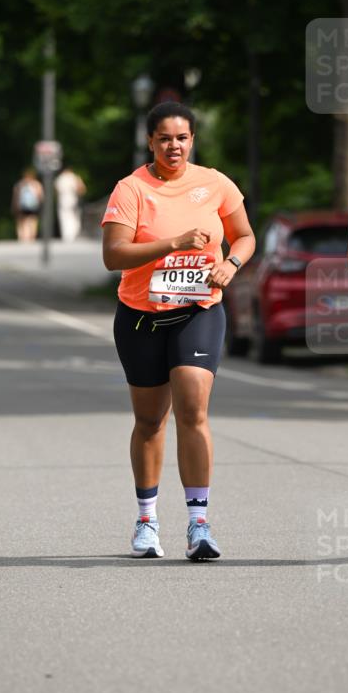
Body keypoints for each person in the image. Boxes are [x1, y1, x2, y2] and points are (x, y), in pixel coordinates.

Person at [102, 101, 255, 560]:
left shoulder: (214, 183)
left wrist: (231, 264)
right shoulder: (131, 189)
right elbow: (114, 256)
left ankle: (199, 524)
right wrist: (173, 243)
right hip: (141, 316)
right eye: (165, 138)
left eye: (182, 137)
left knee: (193, 409)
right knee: (150, 421)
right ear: (150, 141)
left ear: (193, 140)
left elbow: (245, 235)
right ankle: (147, 521)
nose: (175, 146)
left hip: (198, 310)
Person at [55, 166, 87, 242]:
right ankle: (73, 234)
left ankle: (66, 236)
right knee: (74, 217)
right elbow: (82, 190)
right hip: (73, 199)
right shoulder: (74, 177)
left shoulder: (60, 178)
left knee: (64, 217)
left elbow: (56, 191)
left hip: (62, 200)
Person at [11, 168, 43, 242]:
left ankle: (22, 236)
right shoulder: (36, 184)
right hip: (33, 206)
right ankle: (31, 236)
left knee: (22, 221)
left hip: (22, 206)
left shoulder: (19, 184)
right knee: (33, 221)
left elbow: (15, 196)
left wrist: (14, 206)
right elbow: (40, 196)